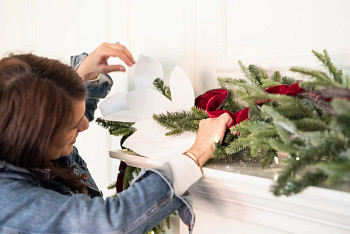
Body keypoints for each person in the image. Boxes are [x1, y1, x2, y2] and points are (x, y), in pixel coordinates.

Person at [0, 42, 233, 233]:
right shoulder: (8, 200)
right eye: (72, 125)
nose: (84, 125)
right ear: (34, 138)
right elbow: (108, 224)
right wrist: (196, 153)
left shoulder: (12, 135)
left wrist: (82, 77)